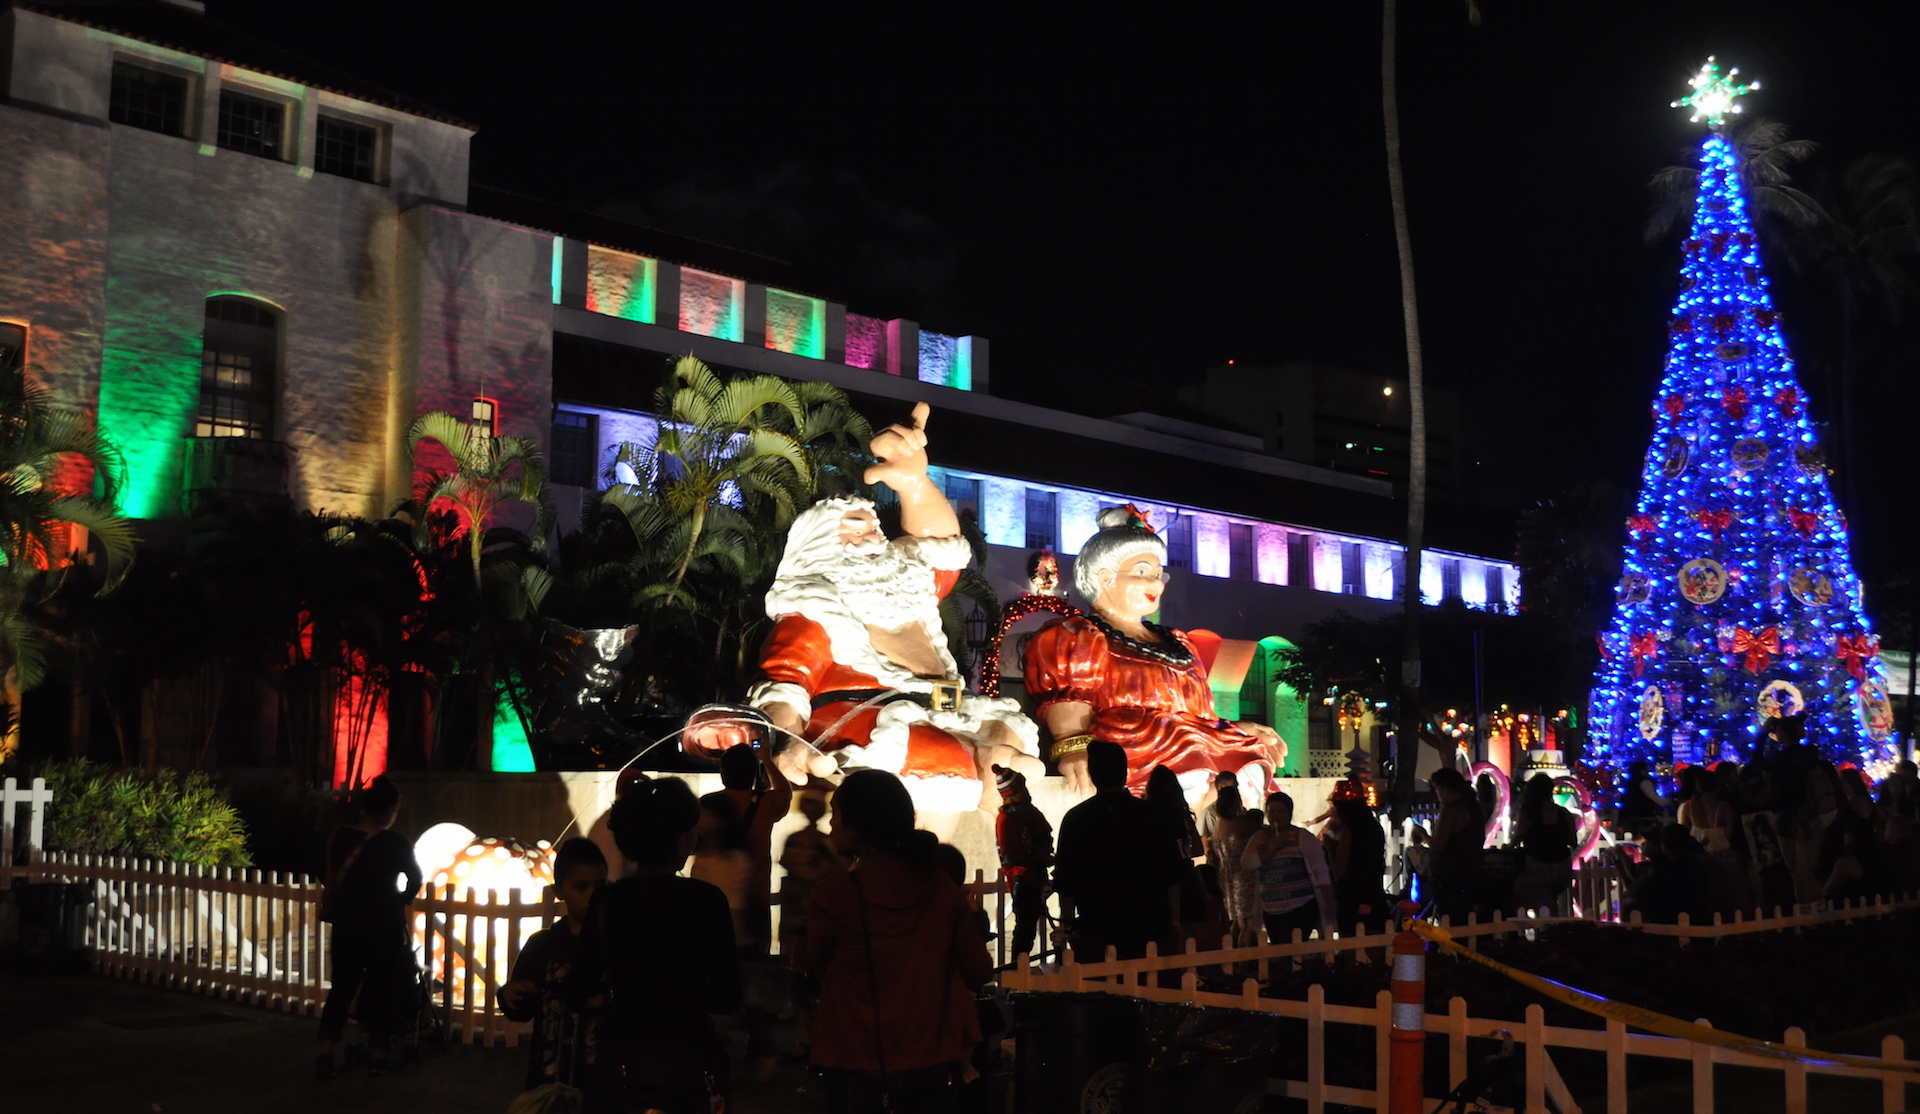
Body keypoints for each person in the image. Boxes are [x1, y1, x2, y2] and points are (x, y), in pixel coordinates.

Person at [701, 403, 1042, 839]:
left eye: (874, 529)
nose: (875, 539)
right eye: (856, 531)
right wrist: (787, 742)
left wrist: (914, 484)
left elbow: (939, 546)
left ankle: (986, 764)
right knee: (928, 755)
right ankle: (970, 779)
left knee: (1005, 728)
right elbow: (787, 682)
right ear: (823, 548)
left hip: (946, 709)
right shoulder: (816, 605)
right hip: (866, 718)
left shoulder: (907, 588)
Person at [1022, 505, 1286, 798]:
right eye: (1142, 573)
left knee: (1244, 753)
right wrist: (1074, 746)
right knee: (1186, 750)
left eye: (1159, 574)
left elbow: (1198, 716)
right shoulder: (1078, 636)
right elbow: (1070, 704)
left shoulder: (1178, 643)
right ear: (1105, 577)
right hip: (1134, 745)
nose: (1156, 584)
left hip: (1190, 739)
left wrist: (1236, 728)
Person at [807, 770, 993, 1113]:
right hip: (934, 1055)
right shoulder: (940, 887)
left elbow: (820, 968)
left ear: (857, 826)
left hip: (856, 1054)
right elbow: (979, 969)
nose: (831, 825)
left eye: (836, 814)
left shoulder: (834, 895)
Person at [565, 778, 742, 1114]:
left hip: (622, 1064)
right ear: (679, 840)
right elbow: (727, 997)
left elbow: (578, 989)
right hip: (689, 1061)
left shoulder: (606, 902)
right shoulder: (706, 901)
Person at [316, 776, 421, 1080]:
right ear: (390, 810)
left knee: (342, 988)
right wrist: (400, 899)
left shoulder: (338, 837)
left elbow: (327, 873)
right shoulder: (396, 842)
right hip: (384, 926)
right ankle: (377, 1055)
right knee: (381, 989)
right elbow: (415, 878)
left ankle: (324, 1053)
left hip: (347, 925)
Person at [498, 838, 610, 1104]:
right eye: (581, 887)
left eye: (600, 886)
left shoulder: (617, 943)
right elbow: (521, 1006)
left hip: (603, 1076)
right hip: (549, 1074)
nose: (591, 894)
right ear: (558, 891)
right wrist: (507, 995)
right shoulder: (542, 945)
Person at [1051, 741, 1186, 961]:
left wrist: (1067, 924)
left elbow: (1067, 880)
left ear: (1093, 774)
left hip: (1096, 924)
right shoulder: (1150, 814)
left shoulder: (1077, 818)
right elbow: (1171, 872)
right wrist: (1174, 920)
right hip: (1148, 922)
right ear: (1124, 773)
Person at [701, 743, 794, 957]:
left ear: (723, 774)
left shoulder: (709, 805)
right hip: (755, 900)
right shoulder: (765, 803)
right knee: (756, 965)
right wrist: (767, 759)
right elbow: (784, 792)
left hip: (714, 900)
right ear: (754, 774)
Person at [777, 786, 844, 1064]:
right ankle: (810, 1039)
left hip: (807, 921)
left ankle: (812, 1039)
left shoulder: (820, 844)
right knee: (802, 983)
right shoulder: (819, 843)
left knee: (809, 984)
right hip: (802, 921)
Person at [1242, 790, 1336, 945]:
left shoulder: (1302, 837)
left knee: (1290, 949)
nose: (1276, 816)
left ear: (1289, 814)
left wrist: (1328, 900)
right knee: (1279, 946)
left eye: (1281, 811)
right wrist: (1270, 849)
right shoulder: (1259, 838)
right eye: (1272, 811)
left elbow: (1320, 871)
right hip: (1270, 908)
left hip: (1300, 906)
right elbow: (1247, 864)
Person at [991, 764, 1053, 963]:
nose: (1026, 793)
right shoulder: (1006, 820)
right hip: (1022, 879)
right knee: (1025, 930)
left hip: (1034, 876)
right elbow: (1010, 857)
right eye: (1021, 790)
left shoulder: (1028, 813)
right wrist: (1040, 859)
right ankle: (1018, 970)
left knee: (1029, 927)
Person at [1209, 776, 1266, 949]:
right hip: (1244, 877)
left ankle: (1232, 962)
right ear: (1236, 801)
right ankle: (1245, 963)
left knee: (1236, 922)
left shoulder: (1219, 825)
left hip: (1226, 877)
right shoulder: (1242, 824)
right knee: (1249, 923)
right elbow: (1267, 833)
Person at [1326, 795, 1388, 954]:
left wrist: (1330, 849)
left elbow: (1339, 871)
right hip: (1374, 894)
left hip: (1351, 897)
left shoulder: (1349, 831)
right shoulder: (1375, 828)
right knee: (1375, 946)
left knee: (1351, 947)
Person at [1425, 768, 1484, 922]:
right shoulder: (1473, 807)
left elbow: (1438, 844)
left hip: (1449, 873)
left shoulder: (1450, 809)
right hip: (1472, 868)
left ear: (1444, 787)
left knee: (1449, 916)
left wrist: (1423, 835)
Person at [1512, 774, 1575, 915]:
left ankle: (1546, 932)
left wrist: (1508, 848)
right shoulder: (1564, 814)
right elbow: (1573, 841)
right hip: (1562, 866)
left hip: (1538, 865)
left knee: (1542, 906)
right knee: (1553, 903)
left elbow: (1518, 836)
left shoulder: (1529, 813)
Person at [1197, 770, 1241, 859]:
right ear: (1221, 787)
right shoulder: (1208, 813)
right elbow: (1206, 846)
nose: (1236, 790)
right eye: (1233, 786)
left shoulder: (1240, 809)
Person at [1618, 760, 1663, 836]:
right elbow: (1653, 797)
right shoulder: (1645, 782)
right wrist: (1668, 802)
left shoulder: (1629, 783)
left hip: (1631, 816)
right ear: (1642, 770)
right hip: (1645, 816)